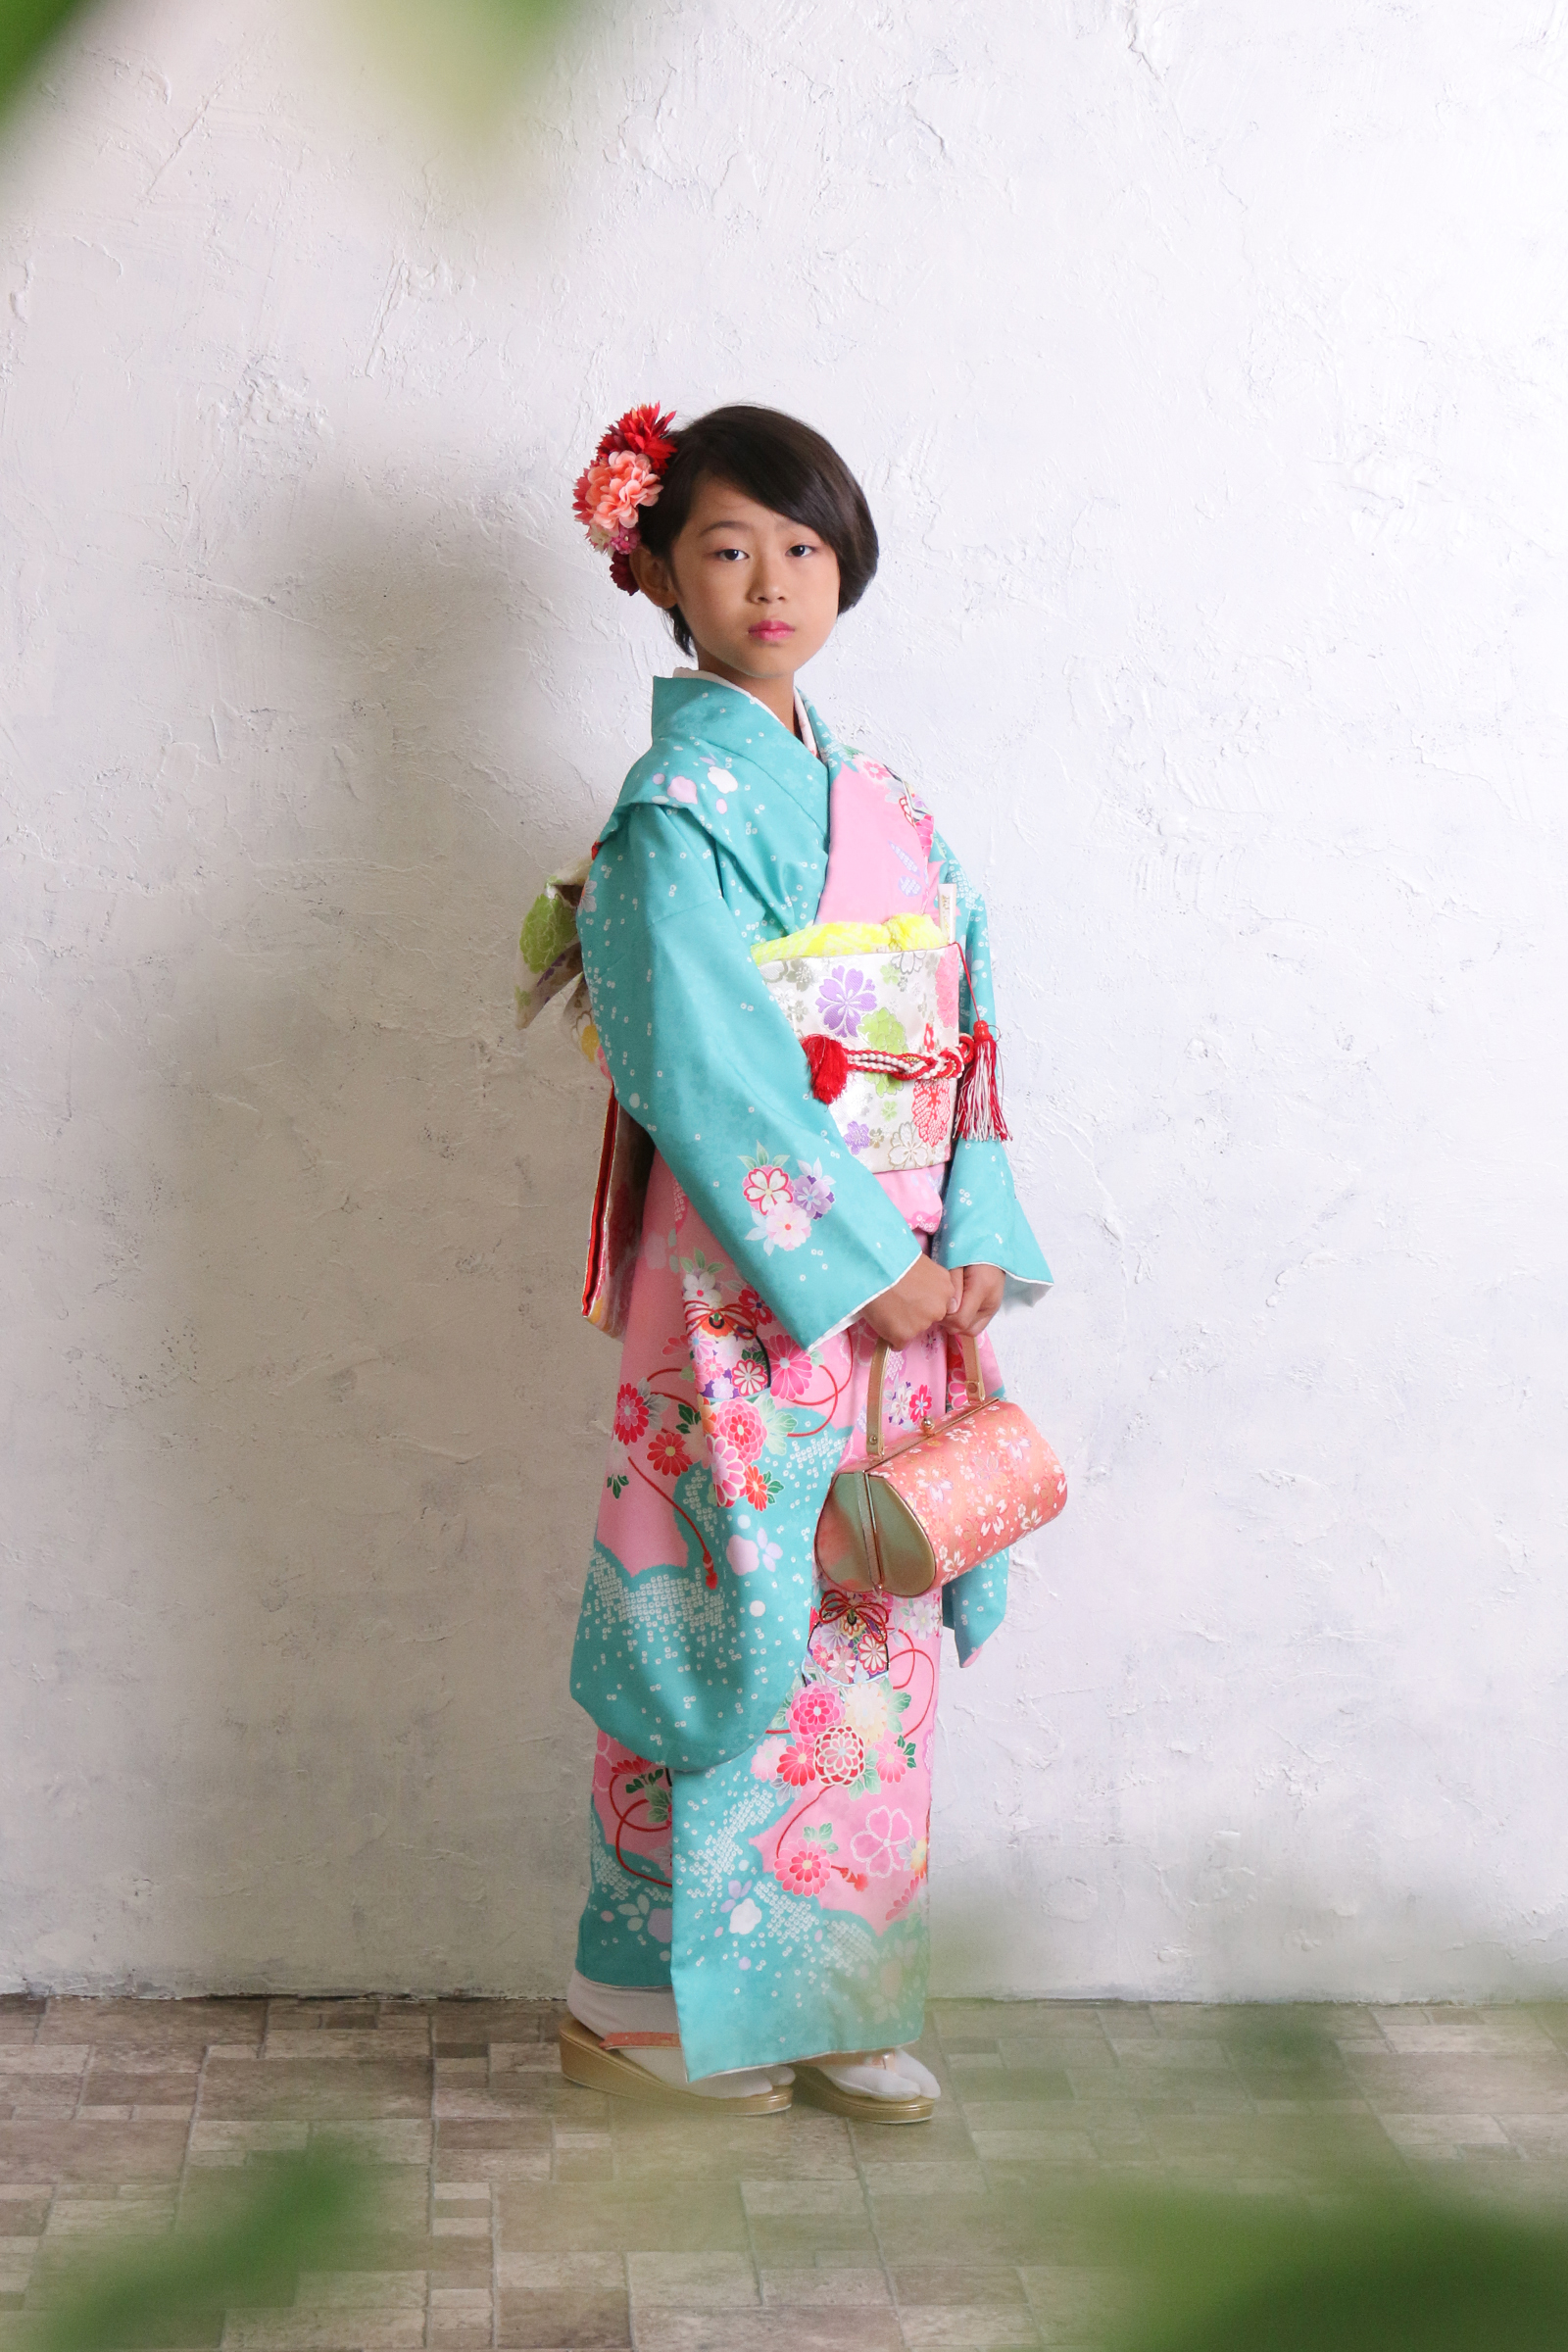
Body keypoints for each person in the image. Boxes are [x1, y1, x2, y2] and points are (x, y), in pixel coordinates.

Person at [529, 402, 1053, 2122]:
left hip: (902, 1275)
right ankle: (635, 2004)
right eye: (730, 546)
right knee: (721, 1609)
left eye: (804, 546)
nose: (772, 581)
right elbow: (699, 1060)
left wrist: (969, 1238)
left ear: (846, 567)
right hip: (743, 1280)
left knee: (869, 1625)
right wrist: (860, 1257)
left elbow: (964, 1023)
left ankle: (831, 1995)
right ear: (662, 575)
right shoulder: (672, 810)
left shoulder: (889, 803)